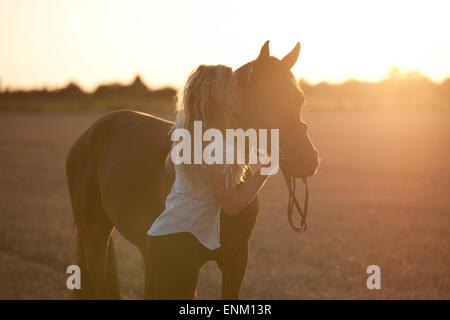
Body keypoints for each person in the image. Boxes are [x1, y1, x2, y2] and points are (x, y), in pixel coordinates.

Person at [146, 64, 276, 299]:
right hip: (179, 246)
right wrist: (266, 170)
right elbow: (232, 205)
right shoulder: (215, 145)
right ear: (221, 97)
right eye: (235, 89)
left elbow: (169, 165)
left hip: (165, 238)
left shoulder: (191, 133)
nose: (241, 94)